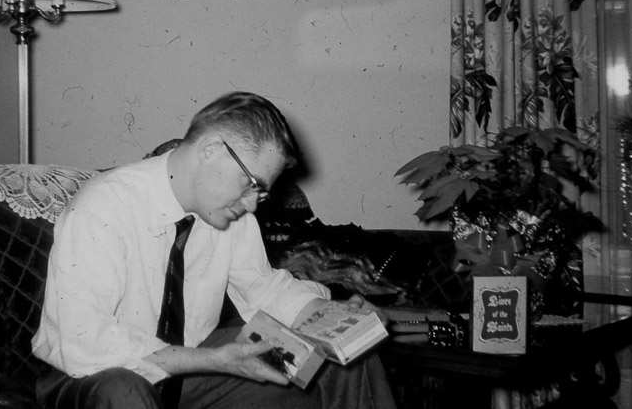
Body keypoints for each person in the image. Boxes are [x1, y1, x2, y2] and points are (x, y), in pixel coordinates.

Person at [31, 91, 397, 409]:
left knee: (345, 357)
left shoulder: (227, 212)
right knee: (124, 390)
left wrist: (333, 317)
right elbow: (83, 344)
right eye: (251, 183)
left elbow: (264, 289)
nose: (252, 204)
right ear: (211, 150)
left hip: (189, 371)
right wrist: (214, 360)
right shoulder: (102, 207)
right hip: (91, 377)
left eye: (261, 192)